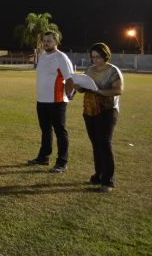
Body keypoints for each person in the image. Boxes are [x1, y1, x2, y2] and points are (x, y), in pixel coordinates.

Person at [75, 43, 123, 192]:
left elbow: (118, 90)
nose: (95, 60)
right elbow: (83, 88)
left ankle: (108, 181)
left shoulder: (113, 70)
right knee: (96, 144)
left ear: (105, 55)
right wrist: (77, 85)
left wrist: (100, 91)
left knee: (104, 143)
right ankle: (99, 174)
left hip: (108, 111)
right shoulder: (90, 70)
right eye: (93, 57)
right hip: (90, 110)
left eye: (98, 57)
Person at [27, 31, 75, 173]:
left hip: (57, 100)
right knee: (46, 130)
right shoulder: (42, 56)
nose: (46, 43)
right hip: (42, 100)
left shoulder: (61, 57)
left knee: (60, 132)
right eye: (44, 40)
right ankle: (44, 157)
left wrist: (70, 94)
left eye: (49, 40)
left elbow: (70, 78)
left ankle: (62, 162)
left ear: (56, 42)